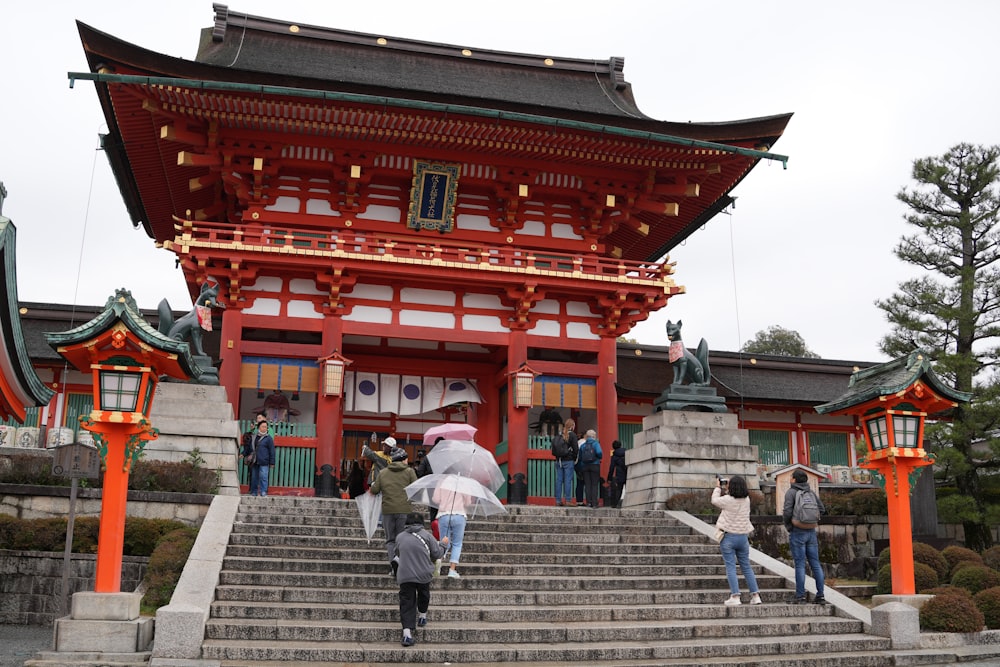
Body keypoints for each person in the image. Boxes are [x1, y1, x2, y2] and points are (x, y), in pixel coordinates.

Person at [394, 511, 449, 647]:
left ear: (407, 523)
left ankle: (407, 634)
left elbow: (397, 552)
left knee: (407, 602)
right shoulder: (428, 536)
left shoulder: (400, 537)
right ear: (422, 523)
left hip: (405, 575)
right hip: (423, 574)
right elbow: (437, 554)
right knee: (424, 595)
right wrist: (443, 544)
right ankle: (422, 616)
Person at [711, 474, 762, 606]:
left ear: (731, 487)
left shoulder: (727, 499)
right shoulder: (747, 500)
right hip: (743, 537)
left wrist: (718, 487)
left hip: (728, 537)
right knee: (746, 567)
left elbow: (714, 500)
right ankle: (755, 595)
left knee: (731, 567)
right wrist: (731, 484)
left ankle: (735, 596)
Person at [783, 469, 827, 604]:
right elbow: (822, 509)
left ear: (794, 480)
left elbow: (787, 511)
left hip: (797, 531)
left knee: (800, 565)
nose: (790, 479)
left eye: (791, 477)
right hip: (811, 531)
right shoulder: (810, 492)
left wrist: (789, 526)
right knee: (815, 564)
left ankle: (800, 596)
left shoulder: (791, 492)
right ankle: (820, 596)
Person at [369, 447, 417, 569]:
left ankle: (393, 565)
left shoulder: (383, 473)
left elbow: (374, 490)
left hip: (387, 510)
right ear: (403, 460)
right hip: (404, 510)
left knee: (390, 540)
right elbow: (415, 489)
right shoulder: (410, 472)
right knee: (402, 539)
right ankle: (400, 563)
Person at [433, 479, 472, 578]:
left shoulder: (441, 481)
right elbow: (468, 503)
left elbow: (435, 499)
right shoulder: (463, 482)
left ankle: (438, 562)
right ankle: (452, 570)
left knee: (444, 542)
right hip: (459, 515)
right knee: (457, 543)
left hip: (444, 514)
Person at [243, 419, 275, 496]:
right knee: (254, 477)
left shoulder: (268, 438)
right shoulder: (254, 437)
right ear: (259, 427)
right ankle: (254, 491)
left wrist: (272, 462)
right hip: (254, 460)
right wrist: (243, 454)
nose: (264, 428)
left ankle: (263, 491)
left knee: (264, 477)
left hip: (264, 461)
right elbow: (248, 447)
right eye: (263, 426)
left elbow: (272, 451)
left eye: (266, 427)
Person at [551, 418, 578, 506]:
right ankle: (568, 500)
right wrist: (573, 458)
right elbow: (576, 449)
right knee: (567, 480)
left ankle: (558, 501)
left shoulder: (560, 435)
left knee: (559, 480)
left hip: (558, 461)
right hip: (568, 461)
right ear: (572, 426)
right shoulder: (572, 435)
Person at [577, 429, 603, 508]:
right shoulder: (596, 444)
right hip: (595, 465)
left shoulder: (583, 445)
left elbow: (580, 457)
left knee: (587, 484)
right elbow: (599, 453)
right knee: (594, 484)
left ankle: (588, 502)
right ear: (594, 436)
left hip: (585, 466)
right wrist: (598, 458)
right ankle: (594, 503)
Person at [608, 440, 627, 508]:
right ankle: (628, 503)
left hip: (619, 474)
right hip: (627, 473)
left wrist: (609, 478)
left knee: (619, 489)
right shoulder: (626, 452)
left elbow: (612, 467)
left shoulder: (614, 456)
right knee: (629, 489)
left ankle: (615, 504)